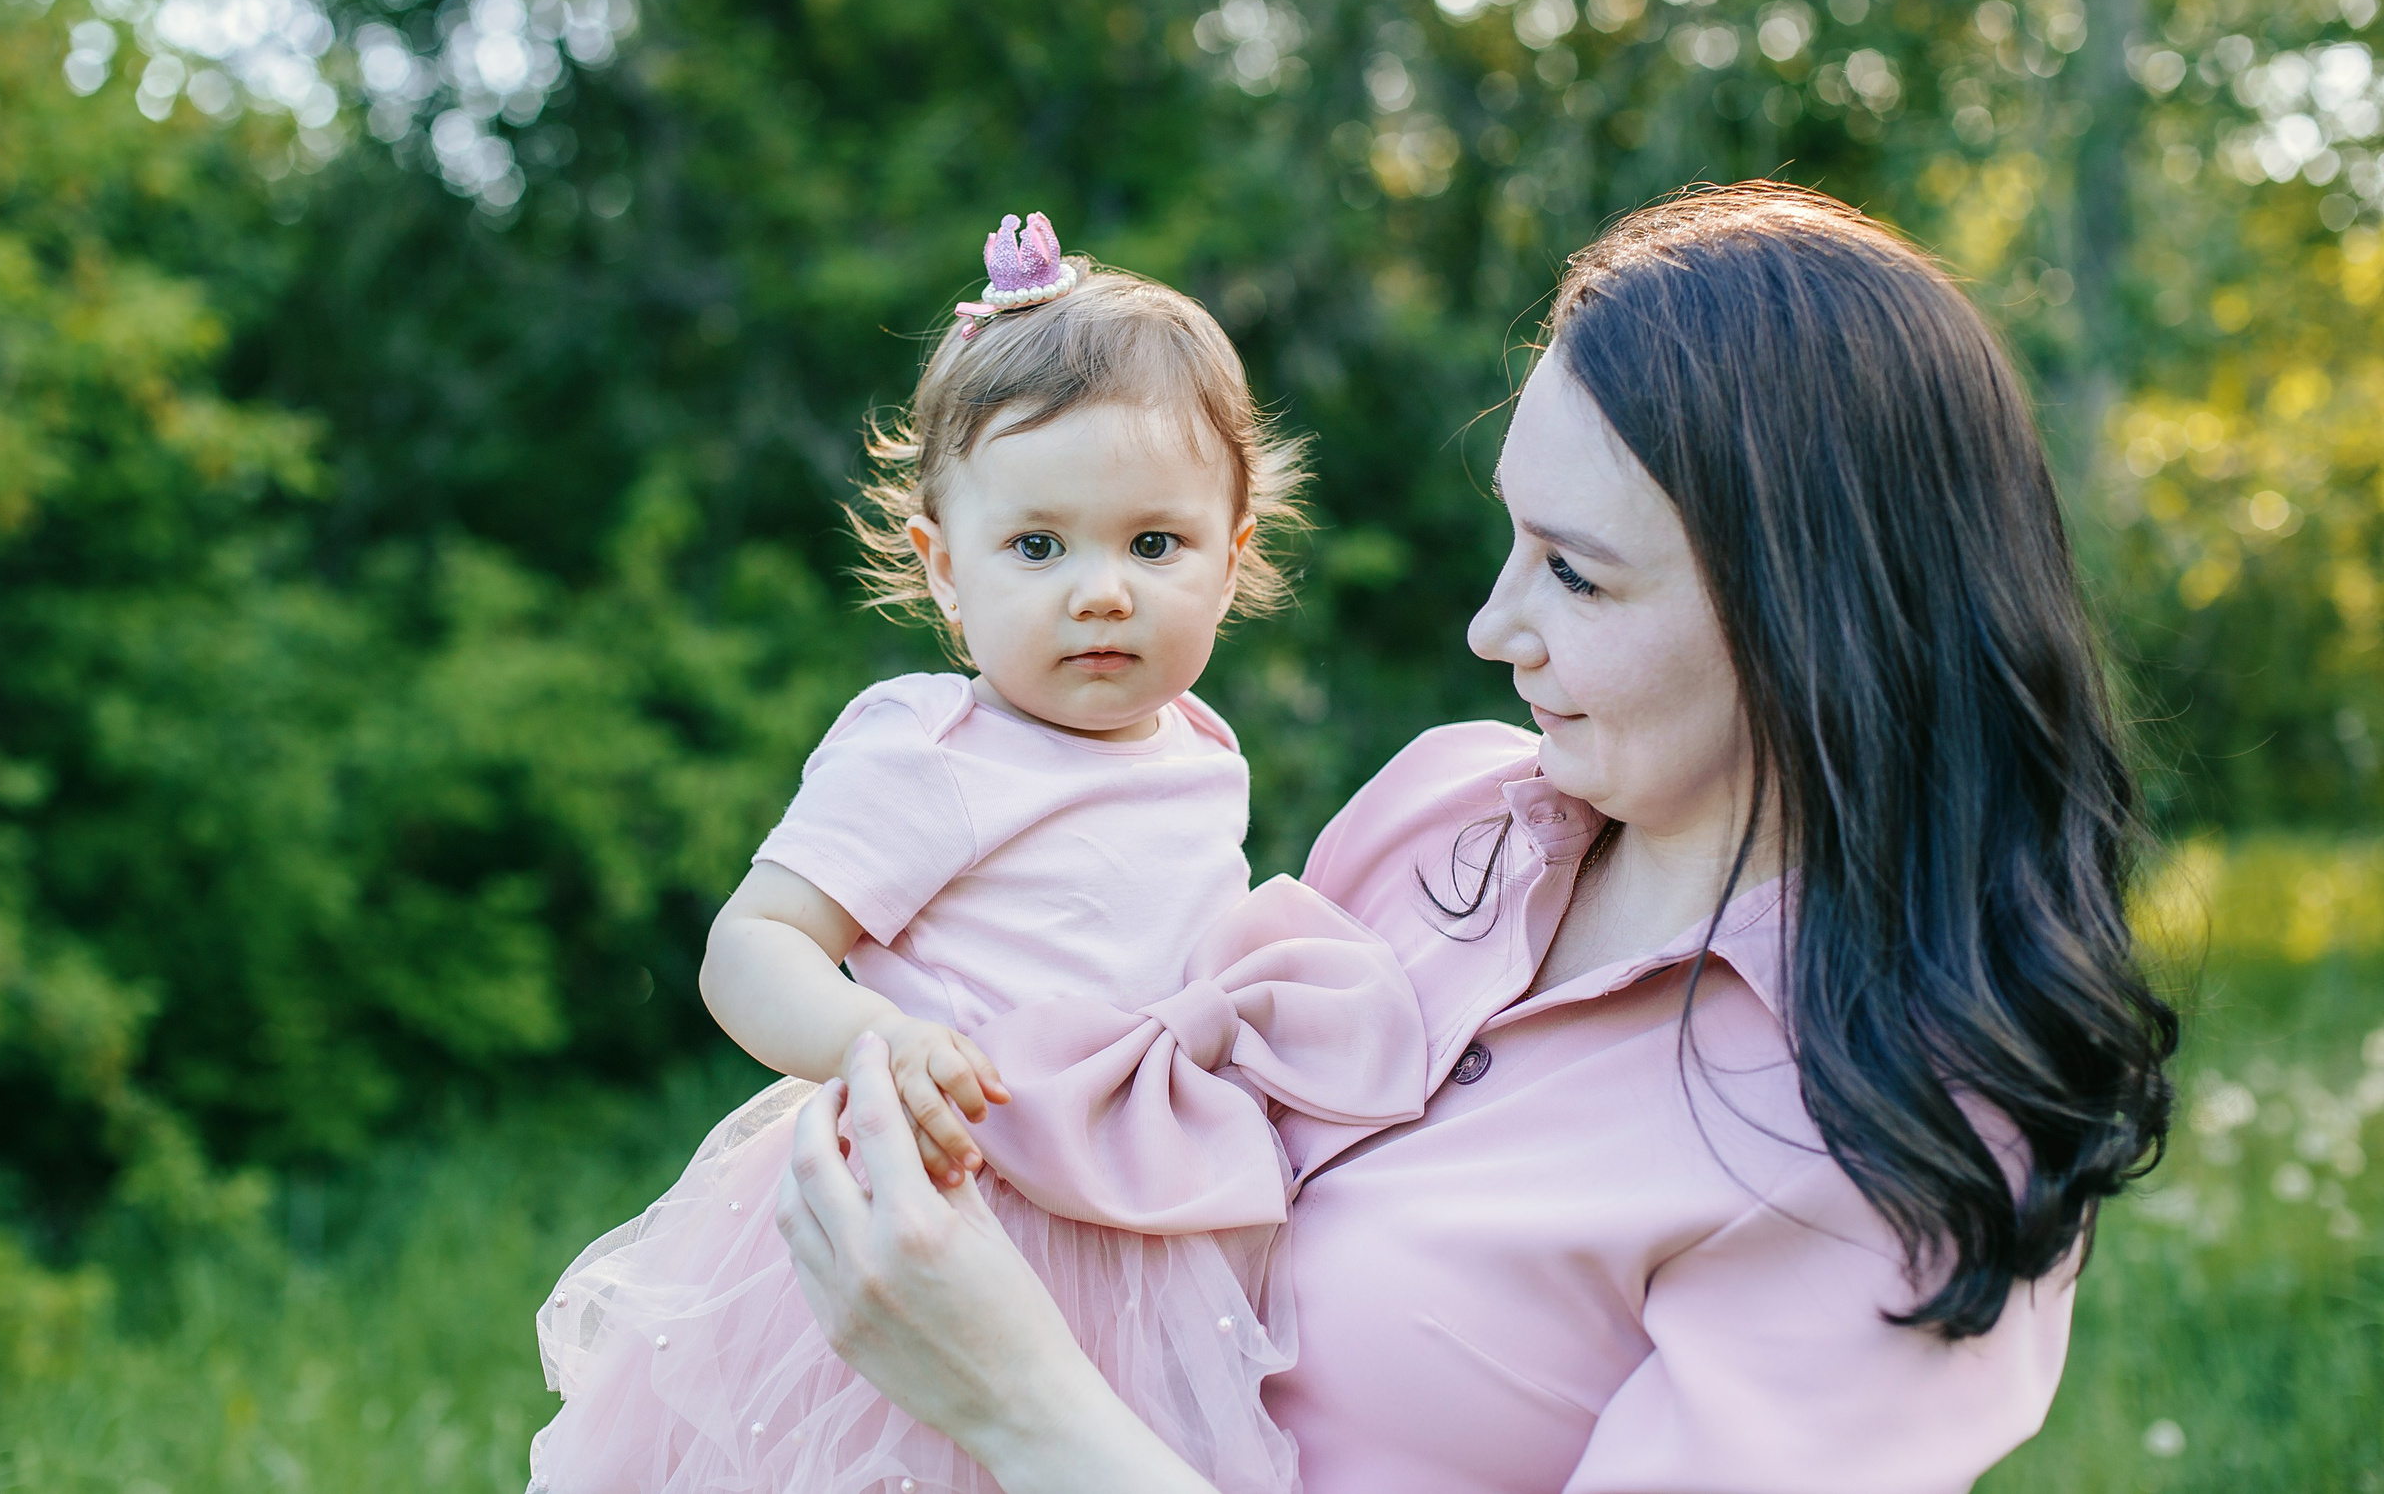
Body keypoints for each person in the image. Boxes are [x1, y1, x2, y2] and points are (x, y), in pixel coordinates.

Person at [771, 183, 2181, 1494]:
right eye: (1512, 539)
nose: (1491, 628)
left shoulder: (1898, 1146)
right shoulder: (1449, 812)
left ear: (1811, 612)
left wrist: (1019, 1401)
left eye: (1573, 570)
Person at [528, 213, 1431, 1494]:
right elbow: (753, 944)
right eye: (1037, 546)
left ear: (1232, 567)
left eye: (1154, 544)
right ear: (944, 571)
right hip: (949, 1215)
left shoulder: (1202, 742)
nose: (1101, 590)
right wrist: (870, 1042)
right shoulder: (933, 746)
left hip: (1136, 1243)